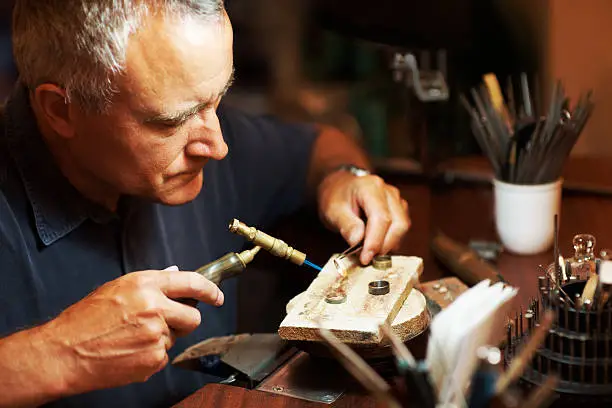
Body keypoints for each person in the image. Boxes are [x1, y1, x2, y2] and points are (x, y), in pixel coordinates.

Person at [0, 1, 411, 407]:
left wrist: (345, 177)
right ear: (60, 110)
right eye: (169, 122)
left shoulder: (194, 126)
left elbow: (319, 147)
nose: (217, 146)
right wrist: (59, 353)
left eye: (218, 101)